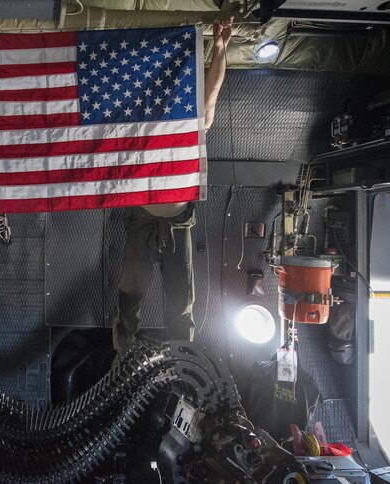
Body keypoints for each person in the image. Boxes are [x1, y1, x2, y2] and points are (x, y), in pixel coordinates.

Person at [112, 17, 234, 360]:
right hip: (143, 217)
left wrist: (220, 47)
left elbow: (211, 90)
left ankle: (183, 362)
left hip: (178, 220)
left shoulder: (190, 122)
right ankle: (123, 354)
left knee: (181, 300)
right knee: (130, 292)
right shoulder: (142, 122)